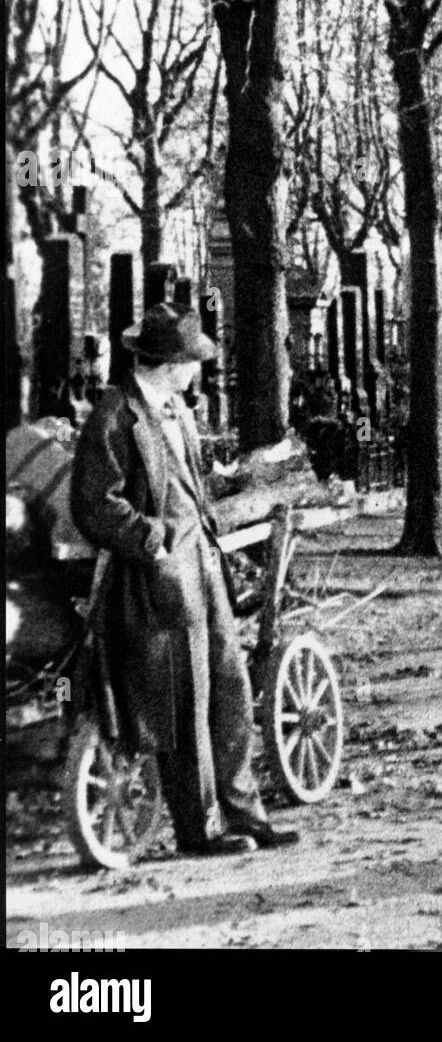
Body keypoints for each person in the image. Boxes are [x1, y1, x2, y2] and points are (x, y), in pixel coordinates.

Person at [71, 302, 299, 857]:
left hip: (203, 565)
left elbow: (188, 488)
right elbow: (92, 503)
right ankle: (202, 830)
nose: (197, 370)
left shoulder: (177, 410)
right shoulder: (114, 415)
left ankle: (247, 813)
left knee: (230, 687)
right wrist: (149, 537)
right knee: (186, 702)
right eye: (191, 361)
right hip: (157, 582)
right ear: (170, 363)